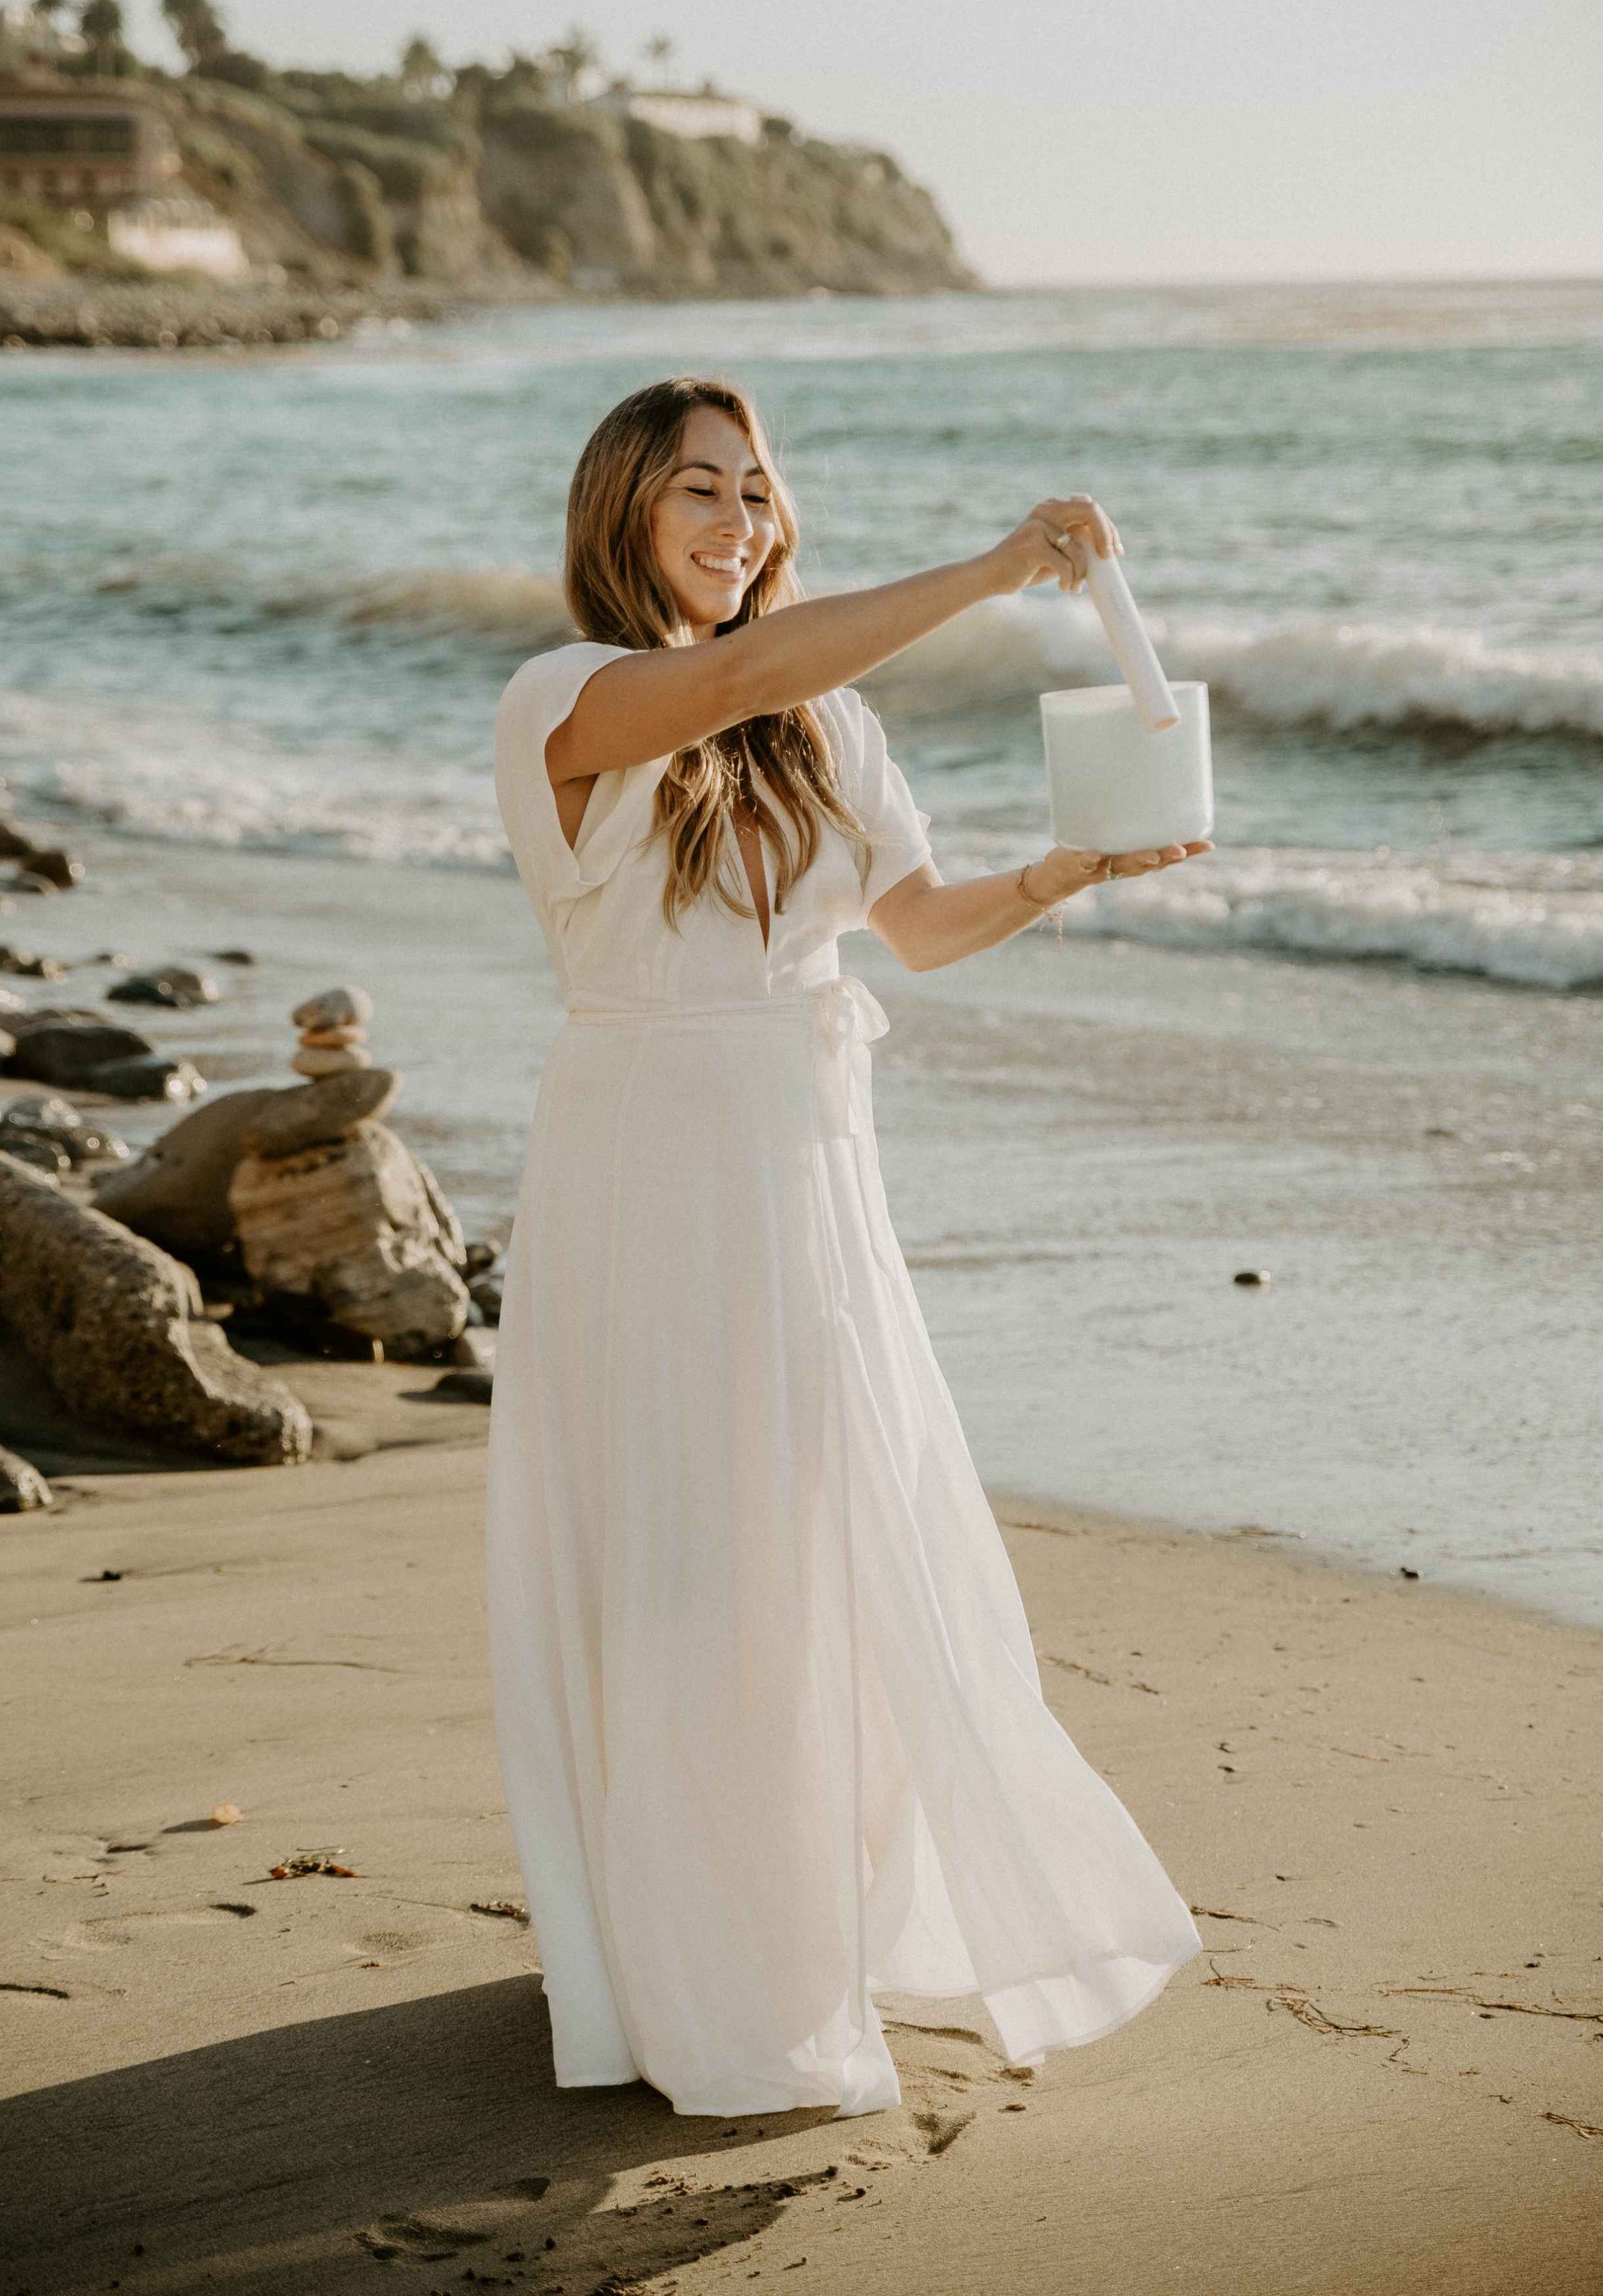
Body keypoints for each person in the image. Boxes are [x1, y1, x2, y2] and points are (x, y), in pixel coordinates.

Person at [489, 375, 1207, 2119]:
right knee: (683, 1556)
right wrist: (985, 569)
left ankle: (799, 1917)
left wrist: (1070, 868)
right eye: (696, 495)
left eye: (755, 491)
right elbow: (730, 673)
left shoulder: (826, 725)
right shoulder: (565, 695)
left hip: (806, 1164)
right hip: (648, 1160)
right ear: (623, 518)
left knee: (815, 1535)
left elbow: (918, 928)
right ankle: (686, 1966)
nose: (738, 522)